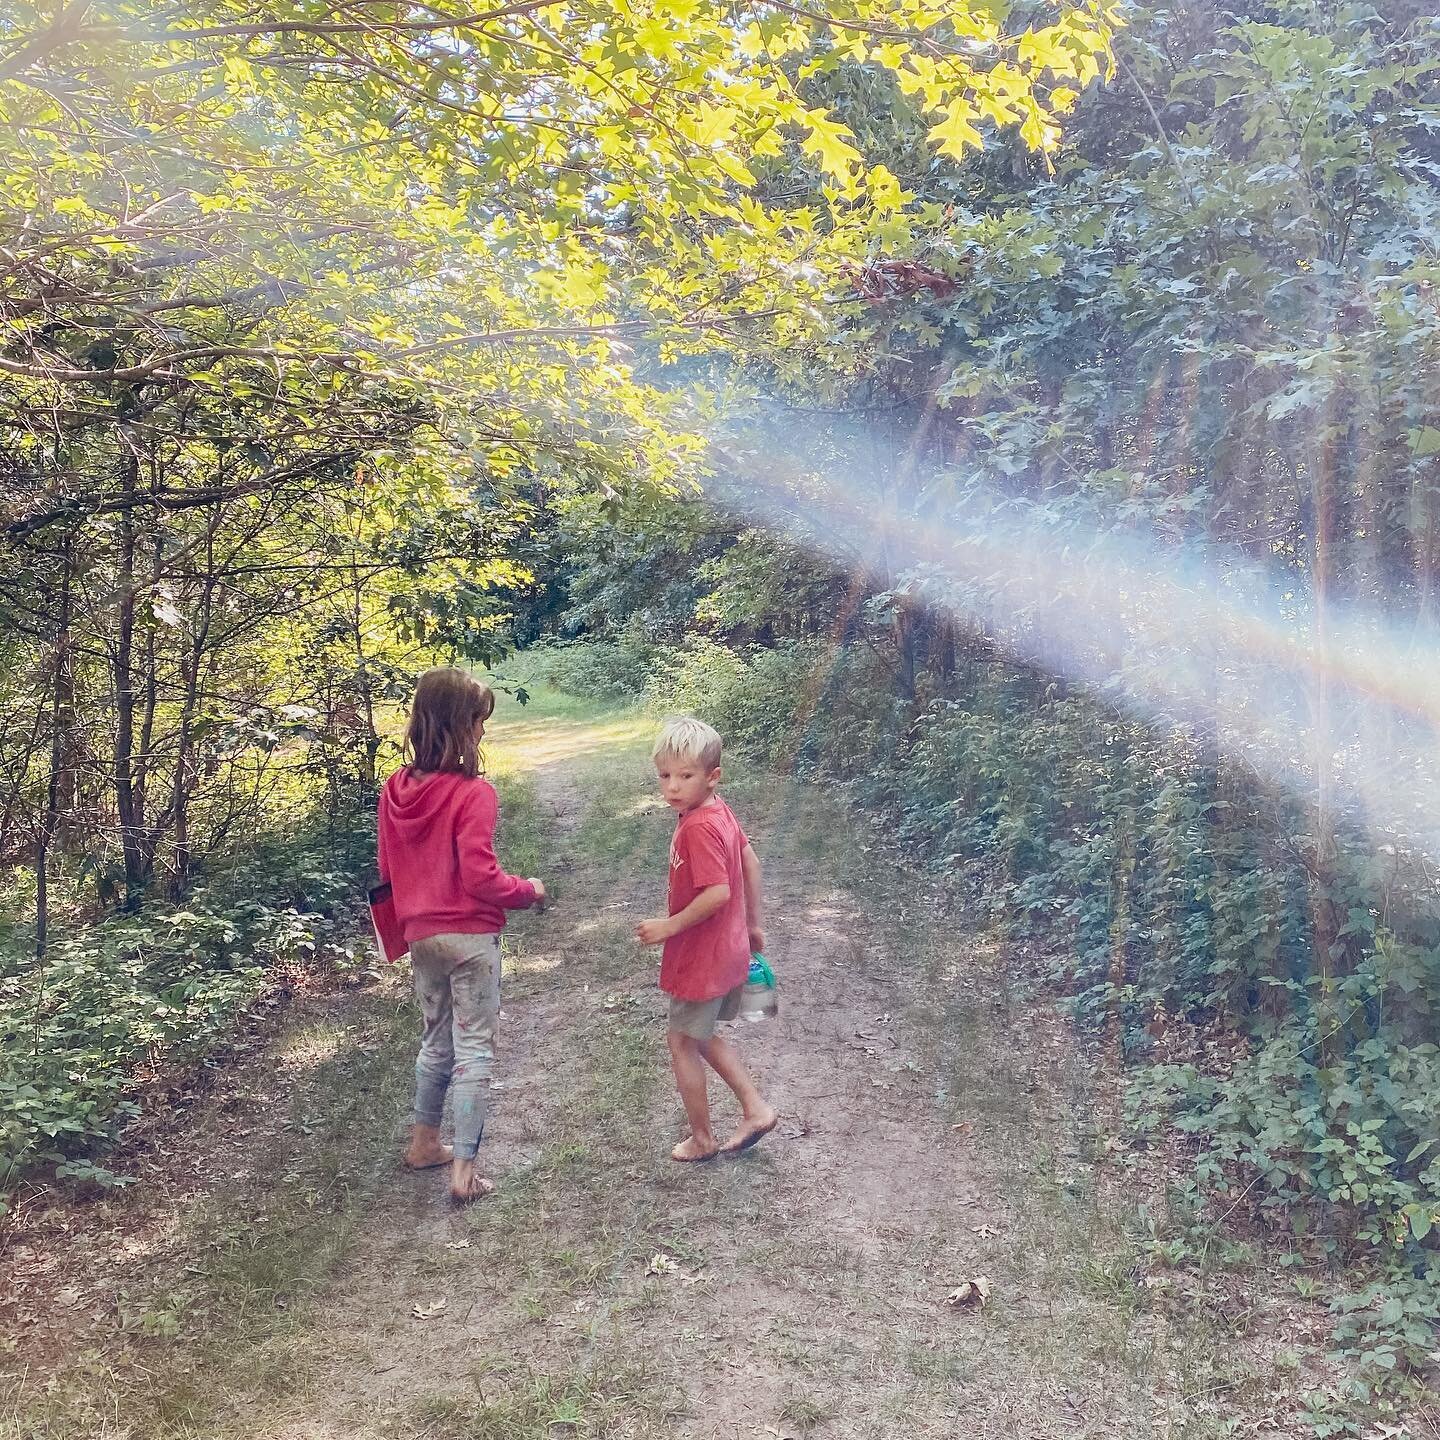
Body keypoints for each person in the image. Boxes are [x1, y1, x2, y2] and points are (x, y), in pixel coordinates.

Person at [377, 668, 546, 1203]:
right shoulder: (474, 794)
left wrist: (401, 930)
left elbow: (386, 870)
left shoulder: (394, 791)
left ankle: (424, 1143)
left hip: (421, 937)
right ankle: (464, 1174)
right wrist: (528, 890)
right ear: (463, 727)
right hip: (471, 940)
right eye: (478, 723)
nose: (482, 733)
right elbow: (481, 878)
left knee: (435, 1041)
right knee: (475, 1048)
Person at [636, 717, 778, 1162]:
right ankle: (755, 1109)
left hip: (703, 955)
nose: (673, 787)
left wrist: (669, 926)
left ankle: (704, 1137)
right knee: (699, 1035)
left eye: (685, 776)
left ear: (712, 776)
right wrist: (754, 924)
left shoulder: (698, 826)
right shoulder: (716, 809)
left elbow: (717, 892)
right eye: (665, 776)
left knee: (682, 1040)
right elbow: (749, 861)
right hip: (727, 949)